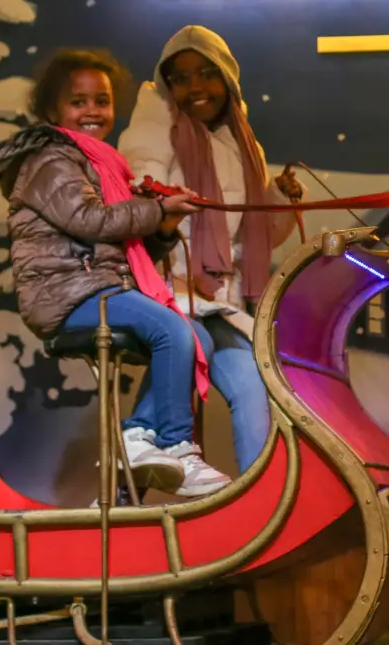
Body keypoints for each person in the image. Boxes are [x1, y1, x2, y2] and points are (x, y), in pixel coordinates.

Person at [0, 48, 233, 498]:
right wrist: (154, 208)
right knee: (173, 331)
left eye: (101, 101)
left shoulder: (103, 163)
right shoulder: (49, 158)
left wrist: (162, 226)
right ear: (52, 110)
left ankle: (136, 437)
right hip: (66, 292)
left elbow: (118, 243)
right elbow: (90, 221)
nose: (92, 111)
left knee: (197, 335)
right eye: (78, 102)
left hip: (98, 285)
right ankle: (176, 444)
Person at [118, 25, 305, 476]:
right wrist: (158, 202)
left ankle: (260, 506)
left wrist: (280, 198)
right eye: (180, 78)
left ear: (228, 79)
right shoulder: (156, 126)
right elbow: (138, 200)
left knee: (252, 389)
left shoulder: (243, 143)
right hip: (168, 292)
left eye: (205, 74)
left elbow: (256, 235)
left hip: (220, 300)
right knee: (188, 340)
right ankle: (136, 439)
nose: (195, 87)